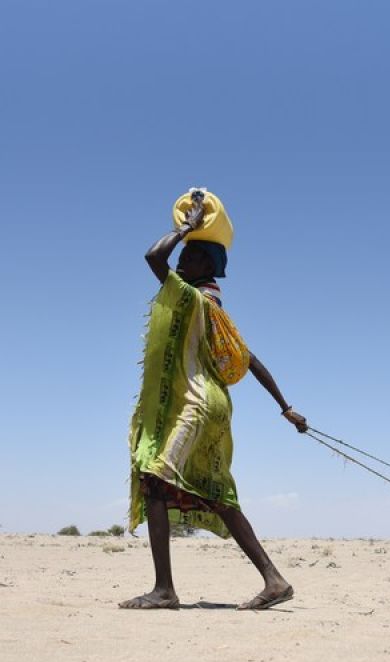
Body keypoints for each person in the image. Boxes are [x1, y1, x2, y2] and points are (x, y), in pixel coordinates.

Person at [122, 193, 307, 610]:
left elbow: (153, 258)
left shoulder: (194, 298)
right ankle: (274, 580)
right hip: (211, 405)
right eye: (183, 256)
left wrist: (186, 226)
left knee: (154, 478)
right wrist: (285, 407)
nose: (181, 262)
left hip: (196, 405)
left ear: (207, 265)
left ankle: (165, 590)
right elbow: (250, 358)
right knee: (215, 493)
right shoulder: (213, 306)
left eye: (191, 256)